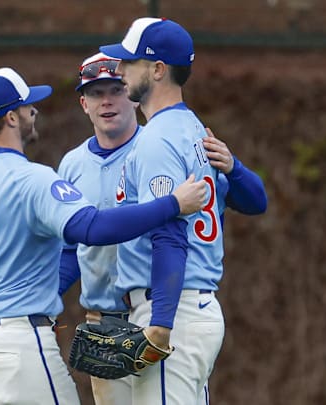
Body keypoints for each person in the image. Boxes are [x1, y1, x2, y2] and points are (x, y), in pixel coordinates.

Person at [0, 67, 208, 405]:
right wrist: (172, 204)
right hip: (16, 346)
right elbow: (93, 228)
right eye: (28, 106)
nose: (34, 111)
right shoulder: (33, 180)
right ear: (11, 118)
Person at [58, 52, 267, 405]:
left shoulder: (160, 146)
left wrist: (233, 167)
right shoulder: (72, 165)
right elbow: (68, 250)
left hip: (159, 311)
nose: (107, 100)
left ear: (130, 89)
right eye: (96, 92)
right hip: (106, 321)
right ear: (83, 103)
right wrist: (44, 304)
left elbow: (253, 202)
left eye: (114, 88)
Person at [99, 17, 232, 404]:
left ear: (158, 70)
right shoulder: (194, 127)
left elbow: (168, 235)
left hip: (173, 312)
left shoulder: (157, 139)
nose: (119, 70)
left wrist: (160, 325)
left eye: (130, 61)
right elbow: (247, 201)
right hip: (195, 306)